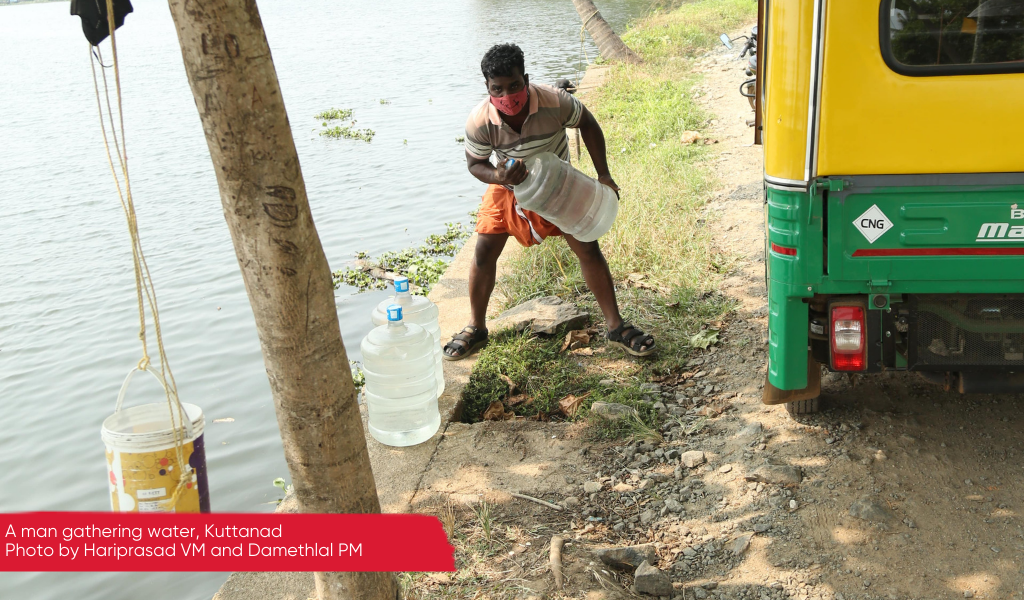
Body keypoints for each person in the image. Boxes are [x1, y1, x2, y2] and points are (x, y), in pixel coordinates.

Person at [443, 43, 656, 360]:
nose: (508, 96)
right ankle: (476, 327)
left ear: (525, 79)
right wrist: (500, 176)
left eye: (514, 86)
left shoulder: (555, 101)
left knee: (587, 246)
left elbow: (588, 124)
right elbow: (476, 164)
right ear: (487, 88)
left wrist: (604, 176)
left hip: (558, 184)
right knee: (484, 249)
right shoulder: (479, 121)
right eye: (497, 89)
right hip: (510, 187)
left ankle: (616, 326)